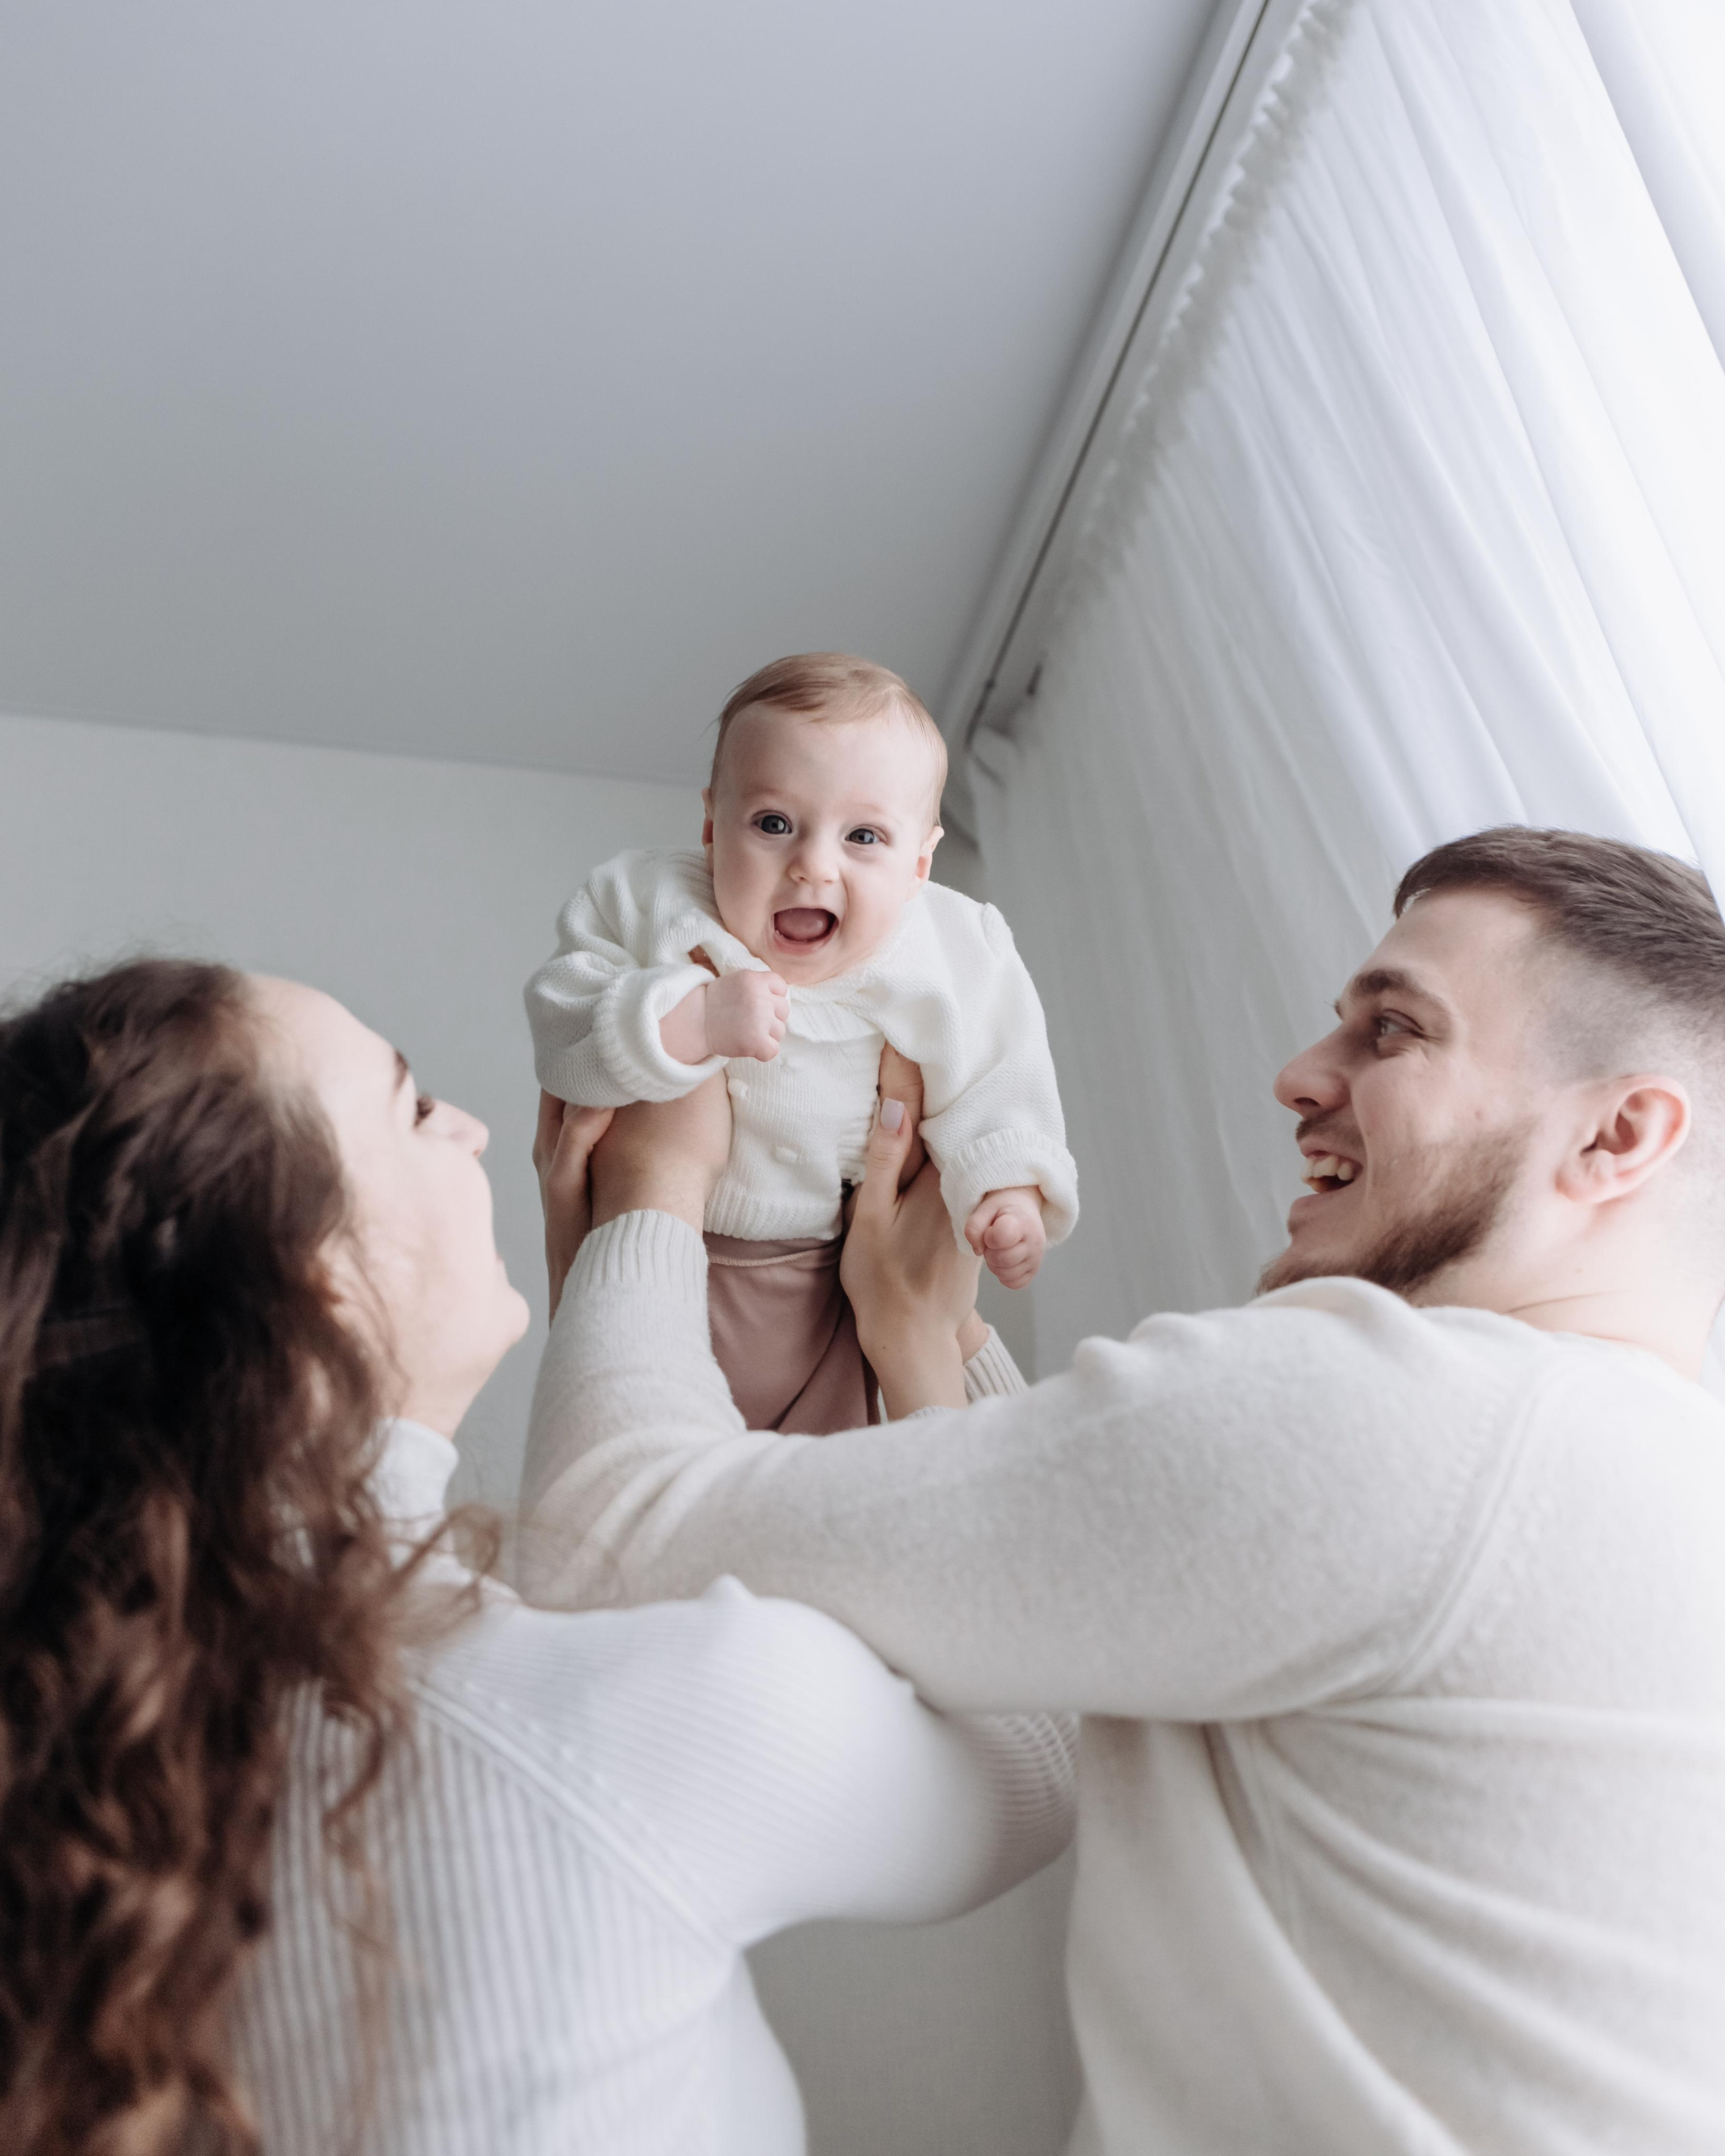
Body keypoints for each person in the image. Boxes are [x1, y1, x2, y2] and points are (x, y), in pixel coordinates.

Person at [522, 826, 1725, 2155]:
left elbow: (604, 1543)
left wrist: (650, 1188)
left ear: (1618, 1133)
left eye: (1391, 1029)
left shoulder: (1407, 1412)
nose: (1298, 1075)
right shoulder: (1633, 1468)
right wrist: (931, 1346)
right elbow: (1053, 1734)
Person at [0, 957, 1073, 2156]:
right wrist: (931, 1335)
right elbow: (1045, 1743)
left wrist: (621, 1272)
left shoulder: (101, 1778)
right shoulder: (587, 1725)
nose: (467, 1127)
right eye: (412, 1106)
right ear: (314, 1279)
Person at [524, 651, 1077, 1431]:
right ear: (712, 825)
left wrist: (1006, 1187)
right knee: (651, 1429)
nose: (812, 865)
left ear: (920, 862)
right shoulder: (648, 898)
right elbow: (562, 1013)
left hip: (837, 1283)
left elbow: (1000, 1067)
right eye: (773, 823)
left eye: (864, 835)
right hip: (681, 1255)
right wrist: (687, 1020)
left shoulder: (948, 947)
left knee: (829, 1471)